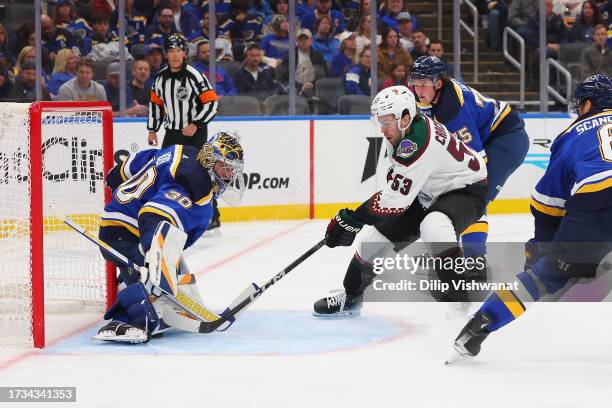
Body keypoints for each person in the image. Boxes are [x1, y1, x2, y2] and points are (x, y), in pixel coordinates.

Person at [449, 75, 612, 361]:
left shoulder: (572, 135)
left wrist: (542, 248)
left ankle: (477, 329)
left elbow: (548, 202)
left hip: (596, 202)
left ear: (587, 105)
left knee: (543, 277)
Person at [313, 85, 487, 317]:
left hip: (465, 190)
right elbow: (396, 188)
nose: (383, 129)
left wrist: (352, 219)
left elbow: (393, 202)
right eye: (379, 122)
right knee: (372, 243)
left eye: (387, 122)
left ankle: (458, 298)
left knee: (433, 227)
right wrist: (356, 220)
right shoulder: (403, 131)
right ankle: (352, 296)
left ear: (406, 117)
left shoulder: (416, 143)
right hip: (427, 191)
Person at [96, 130, 245, 342]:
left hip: (120, 224)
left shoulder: (183, 152)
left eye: (232, 170)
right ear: (211, 159)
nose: (229, 175)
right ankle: (133, 318)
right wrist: (153, 263)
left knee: (161, 254)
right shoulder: (196, 184)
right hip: (122, 233)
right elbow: (152, 216)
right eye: (225, 167)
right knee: (152, 271)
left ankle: (140, 282)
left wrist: (116, 175)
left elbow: (142, 160)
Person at [410, 56, 529, 281]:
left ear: (438, 82)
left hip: (506, 140)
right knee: (456, 199)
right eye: (414, 83)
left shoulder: (452, 109)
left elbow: (477, 163)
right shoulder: (435, 97)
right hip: (490, 138)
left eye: (423, 83)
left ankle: (475, 264)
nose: (418, 89)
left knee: (472, 200)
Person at [147, 34, 221, 234]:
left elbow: (212, 102)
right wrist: (152, 129)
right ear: (166, 54)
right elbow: (156, 105)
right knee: (164, 171)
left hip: (195, 132)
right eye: (171, 51)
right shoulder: (160, 78)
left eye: (179, 50)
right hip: (171, 131)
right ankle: (169, 213)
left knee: (199, 173)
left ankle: (212, 217)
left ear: (185, 53)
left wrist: (196, 123)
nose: (175, 55)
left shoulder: (194, 75)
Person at [280, 28, 326, 98]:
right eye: (301, 39)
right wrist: (300, 87)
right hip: (295, 89)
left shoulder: (318, 56)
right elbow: (284, 77)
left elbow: (324, 74)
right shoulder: (289, 56)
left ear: (311, 41)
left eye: (306, 39)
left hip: (314, 88)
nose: (303, 41)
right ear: (297, 41)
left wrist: (313, 85)